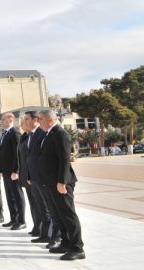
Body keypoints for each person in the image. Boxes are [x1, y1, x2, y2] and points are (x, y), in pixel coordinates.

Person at [38, 109, 85, 261]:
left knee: (68, 215)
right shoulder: (49, 133)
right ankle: (65, 243)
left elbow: (64, 160)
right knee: (58, 216)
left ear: (50, 120)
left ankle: (77, 248)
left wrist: (62, 182)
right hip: (50, 183)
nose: (39, 122)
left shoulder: (60, 133)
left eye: (41, 119)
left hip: (61, 183)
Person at [25, 111, 59, 248]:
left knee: (49, 209)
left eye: (27, 119)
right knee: (41, 208)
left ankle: (55, 237)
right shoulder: (32, 135)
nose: (25, 122)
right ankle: (45, 234)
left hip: (43, 178)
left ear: (35, 120)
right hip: (35, 178)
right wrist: (29, 176)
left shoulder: (41, 132)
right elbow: (30, 158)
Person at [0, 112, 26, 230]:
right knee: (10, 196)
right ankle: (13, 219)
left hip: (13, 171)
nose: (2, 121)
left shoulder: (15, 133)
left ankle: (21, 221)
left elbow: (17, 154)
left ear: (10, 120)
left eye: (3, 119)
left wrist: (16, 170)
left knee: (17, 196)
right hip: (5, 171)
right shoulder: (4, 133)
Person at [18, 115, 37, 235]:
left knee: (39, 204)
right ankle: (37, 226)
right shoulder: (24, 137)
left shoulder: (35, 135)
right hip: (26, 175)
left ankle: (44, 229)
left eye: (24, 122)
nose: (22, 125)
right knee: (33, 203)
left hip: (35, 176)